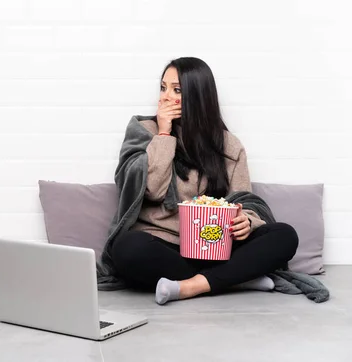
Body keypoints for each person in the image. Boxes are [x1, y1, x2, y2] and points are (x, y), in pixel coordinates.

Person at [109, 57, 299, 305]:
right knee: (126, 248)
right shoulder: (146, 132)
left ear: (197, 95)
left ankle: (192, 285)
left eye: (176, 90)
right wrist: (164, 134)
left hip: (216, 247)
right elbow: (153, 191)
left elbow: (244, 199)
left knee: (285, 235)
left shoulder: (229, 145)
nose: (166, 97)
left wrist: (247, 220)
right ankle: (236, 279)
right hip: (165, 247)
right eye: (163, 88)